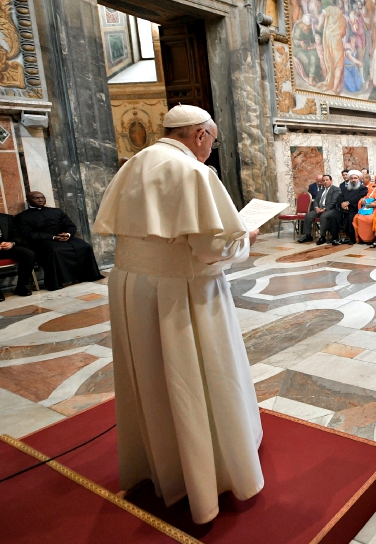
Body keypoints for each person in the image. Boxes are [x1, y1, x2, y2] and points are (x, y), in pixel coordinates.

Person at [93, 104, 263, 525]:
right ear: (201, 135)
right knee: (194, 377)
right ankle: (210, 474)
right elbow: (211, 250)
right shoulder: (194, 173)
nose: (211, 149)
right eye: (213, 140)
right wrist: (247, 237)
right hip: (181, 293)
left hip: (133, 286)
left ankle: (161, 464)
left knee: (152, 378)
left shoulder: (135, 164)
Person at [17, 192, 102, 290]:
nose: (40, 200)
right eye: (36, 198)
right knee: (56, 251)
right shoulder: (22, 216)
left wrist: (68, 234)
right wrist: (53, 237)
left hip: (64, 237)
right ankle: (59, 281)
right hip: (43, 240)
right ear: (28, 201)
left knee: (85, 246)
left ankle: (88, 275)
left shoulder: (57, 211)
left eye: (42, 198)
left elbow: (70, 225)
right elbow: (29, 234)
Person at [297, 174, 340, 244]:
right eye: (324, 180)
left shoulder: (336, 189)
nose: (325, 182)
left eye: (327, 180)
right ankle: (308, 235)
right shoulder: (321, 190)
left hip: (330, 209)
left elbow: (333, 202)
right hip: (319, 208)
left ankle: (322, 237)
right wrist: (316, 208)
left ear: (331, 181)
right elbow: (316, 200)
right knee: (308, 215)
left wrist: (325, 209)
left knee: (323, 216)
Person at [0, 213, 34, 298]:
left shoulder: (7, 218)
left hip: (7, 247)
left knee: (29, 255)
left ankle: (21, 286)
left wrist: (11, 243)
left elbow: (17, 234)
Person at [353, 174, 376, 244]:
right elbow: (367, 196)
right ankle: (362, 239)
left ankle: (370, 239)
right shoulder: (373, 189)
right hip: (367, 207)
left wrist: (375, 204)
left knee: (370, 219)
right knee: (357, 217)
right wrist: (363, 200)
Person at [339, 170, 366, 244]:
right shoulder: (346, 189)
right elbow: (340, 197)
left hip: (355, 208)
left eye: (355, 178)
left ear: (358, 179)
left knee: (350, 217)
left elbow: (358, 197)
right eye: (352, 178)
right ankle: (335, 236)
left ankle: (352, 238)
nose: (353, 180)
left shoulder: (362, 188)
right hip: (345, 208)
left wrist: (348, 203)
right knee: (335, 215)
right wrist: (342, 204)